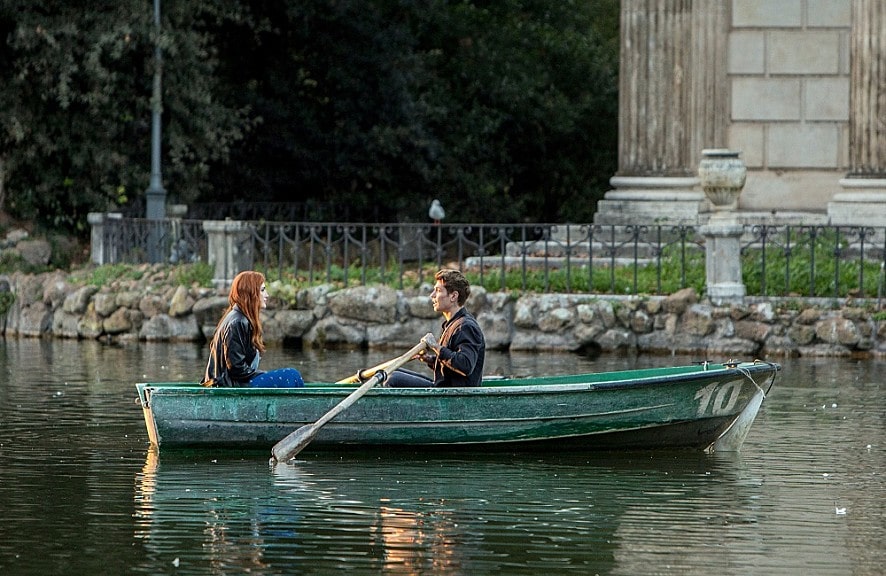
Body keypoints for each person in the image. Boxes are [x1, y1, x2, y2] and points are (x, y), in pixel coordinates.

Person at [201, 270, 304, 388]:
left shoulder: (241, 318)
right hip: (228, 386)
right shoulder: (237, 322)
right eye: (262, 290)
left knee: (291, 376)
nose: (267, 295)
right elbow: (236, 369)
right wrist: (263, 375)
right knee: (292, 375)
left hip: (235, 382)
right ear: (251, 293)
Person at [386, 268, 486, 388]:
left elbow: (465, 365)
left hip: (455, 396)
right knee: (390, 373)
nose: (432, 295)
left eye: (438, 291)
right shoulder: (452, 323)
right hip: (445, 389)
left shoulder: (465, 326)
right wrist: (431, 360)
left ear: (453, 296)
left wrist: (436, 347)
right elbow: (452, 367)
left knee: (393, 379)